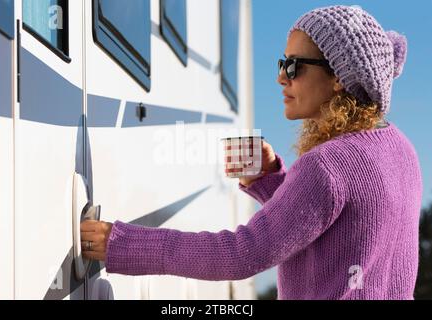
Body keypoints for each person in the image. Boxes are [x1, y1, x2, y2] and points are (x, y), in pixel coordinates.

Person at [80, 5, 423, 299]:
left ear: (338, 77)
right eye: (280, 63)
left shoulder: (327, 164)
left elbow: (243, 254)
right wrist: (271, 180)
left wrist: (123, 244)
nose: (280, 78)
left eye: (294, 66)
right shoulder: (400, 149)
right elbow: (341, 225)